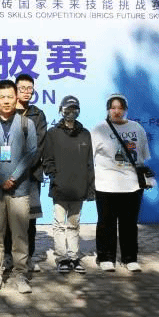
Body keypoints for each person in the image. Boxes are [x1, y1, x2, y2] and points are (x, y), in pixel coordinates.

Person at [0, 79, 37, 294]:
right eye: (2, 97)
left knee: (20, 234)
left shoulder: (26, 124)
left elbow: (31, 152)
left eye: (10, 97)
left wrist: (13, 177)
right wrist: (1, 177)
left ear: (16, 98)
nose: (6, 101)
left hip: (19, 189)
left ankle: (21, 274)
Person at [91, 93, 151, 273]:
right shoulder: (99, 129)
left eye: (120, 108)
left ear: (125, 110)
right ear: (108, 110)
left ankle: (130, 258)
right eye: (113, 108)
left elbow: (143, 155)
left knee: (129, 224)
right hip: (106, 185)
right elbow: (89, 156)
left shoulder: (137, 128)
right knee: (106, 223)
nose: (116, 111)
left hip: (132, 186)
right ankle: (105, 258)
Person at [43, 95, 95, 274]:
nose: (71, 113)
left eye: (74, 109)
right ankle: (62, 258)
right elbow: (47, 160)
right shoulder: (52, 133)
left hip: (79, 188)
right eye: (68, 109)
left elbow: (89, 163)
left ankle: (74, 257)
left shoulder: (85, 134)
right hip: (59, 188)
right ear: (61, 110)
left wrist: (90, 187)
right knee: (59, 225)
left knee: (74, 225)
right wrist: (55, 178)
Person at [6, 73, 47, 273]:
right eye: (22, 88)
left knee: (29, 219)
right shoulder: (6, 112)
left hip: (31, 175)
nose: (26, 92)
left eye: (29, 88)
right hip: (8, 176)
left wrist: (21, 169)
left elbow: (38, 146)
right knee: (8, 218)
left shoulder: (38, 115)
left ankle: (27, 257)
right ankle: (8, 256)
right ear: (15, 90)